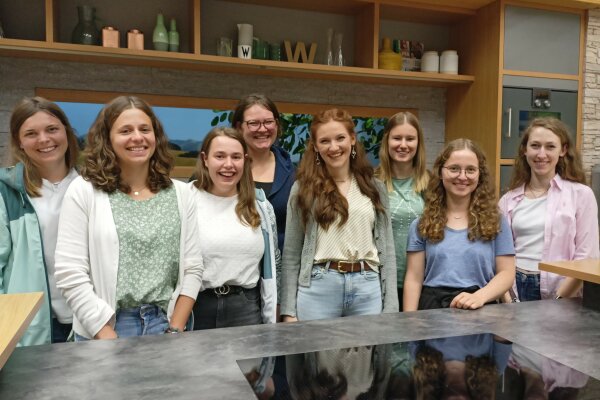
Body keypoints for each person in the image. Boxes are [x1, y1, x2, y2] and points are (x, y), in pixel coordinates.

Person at [54, 96, 203, 340]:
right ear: (107, 139)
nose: (137, 137)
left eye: (145, 129)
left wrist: (175, 327)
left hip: (165, 324)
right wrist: (105, 334)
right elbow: (70, 272)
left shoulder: (181, 193)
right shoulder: (84, 191)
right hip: (104, 327)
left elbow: (193, 266)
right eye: (125, 130)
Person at [281, 108, 398, 322]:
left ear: (352, 139)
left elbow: (388, 252)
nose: (333, 147)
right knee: (317, 354)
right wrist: (288, 311)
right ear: (315, 146)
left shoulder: (375, 188)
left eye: (340, 138)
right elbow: (291, 253)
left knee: (366, 354)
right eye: (325, 141)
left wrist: (391, 307)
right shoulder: (302, 189)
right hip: (319, 289)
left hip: (367, 289)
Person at [0, 97, 79, 345]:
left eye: (52, 129)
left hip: (88, 320)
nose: (44, 139)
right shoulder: (7, 191)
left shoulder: (94, 186)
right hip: (30, 326)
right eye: (31, 133)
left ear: (67, 132)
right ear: (19, 142)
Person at [404, 138, 515, 311]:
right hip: (432, 311)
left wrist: (480, 297)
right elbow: (414, 278)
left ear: (480, 175)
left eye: (470, 170)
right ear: (441, 172)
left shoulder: (496, 222)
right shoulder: (421, 224)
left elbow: (507, 273)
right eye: (454, 168)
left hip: (482, 308)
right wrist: (410, 323)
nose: (462, 177)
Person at [499, 117, 599, 301]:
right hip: (515, 286)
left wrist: (559, 299)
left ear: (563, 150)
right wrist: (509, 300)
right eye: (535, 145)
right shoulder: (508, 200)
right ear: (524, 150)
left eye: (550, 147)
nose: (541, 154)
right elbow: (499, 255)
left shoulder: (581, 195)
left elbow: (586, 256)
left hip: (564, 291)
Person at [189, 127, 279, 329]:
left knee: (249, 362)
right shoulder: (186, 199)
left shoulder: (260, 206)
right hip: (197, 307)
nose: (228, 164)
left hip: (246, 309)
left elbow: (275, 263)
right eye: (219, 156)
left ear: (245, 160)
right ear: (205, 159)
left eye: (236, 157)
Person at [376, 111, 428, 311]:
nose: (403, 145)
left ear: (418, 143)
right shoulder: (371, 182)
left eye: (410, 139)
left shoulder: (432, 184)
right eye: (397, 138)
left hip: (422, 285)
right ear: (387, 141)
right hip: (380, 284)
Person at [231, 93, 295, 252]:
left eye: (268, 122)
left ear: (277, 125)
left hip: (280, 271)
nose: (262, 129)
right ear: (239, 127)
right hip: (231, 268)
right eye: (253, 123)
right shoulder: (224, 170)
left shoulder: (294, 175)